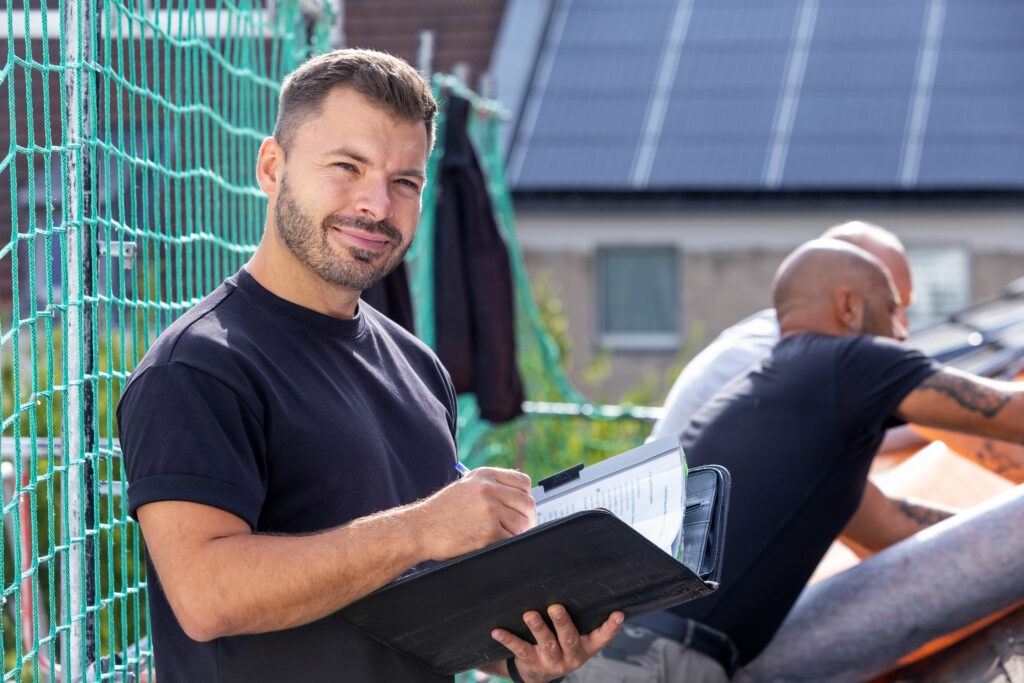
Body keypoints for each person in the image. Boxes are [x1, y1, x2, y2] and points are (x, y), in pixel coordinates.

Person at [116, 49, 622, 683]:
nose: (378, 205)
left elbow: (419, 599)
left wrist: (521, 649)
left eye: (404, 182)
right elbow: (206, 596)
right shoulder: (199, 366)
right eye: (346, 167)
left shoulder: (417, 366)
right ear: (272, 167)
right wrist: (420, 528)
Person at [566, 238, 1024, 682]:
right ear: (848, 307)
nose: (904, 331)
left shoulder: (776, 406)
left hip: (618, 652)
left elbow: (891, 527)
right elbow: (1010, 414)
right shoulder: (849, 362)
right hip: (659, 662)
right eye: (891, 309)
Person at [649, 220, 913, 442]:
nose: (903, 327)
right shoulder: (767, 358)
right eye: (891, 304)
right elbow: (843, 445)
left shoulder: (794, 344)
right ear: (847, 301)